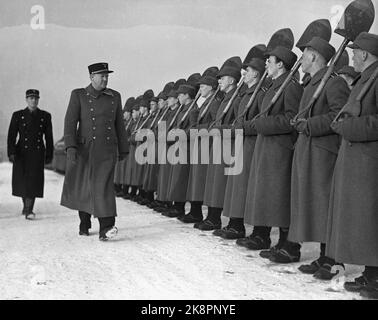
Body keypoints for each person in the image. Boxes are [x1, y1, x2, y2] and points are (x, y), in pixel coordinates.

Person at [272, 37, 350, 271]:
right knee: (307, 203)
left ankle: (331, 258)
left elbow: (339, 116)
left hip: (323, 153)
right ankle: (313, 253)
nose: (301, 61)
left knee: (323, 204)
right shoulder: (313, 83)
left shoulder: (333, 83)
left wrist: (309, 124)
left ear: (314, 56)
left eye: (304, 56)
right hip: (308, 151)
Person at [327, 32, 378, 299]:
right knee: (365, 219)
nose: (352, 57)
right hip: (359, 159)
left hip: (369, 161)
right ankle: (371, 274)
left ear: (365, 55)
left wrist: (350, 127)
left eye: (354, 52)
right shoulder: (366, 79)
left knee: (370, 218)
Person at [243, 46, 303, 258]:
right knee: (266, 194)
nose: (266, 64)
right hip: (266, 147)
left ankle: (289, 244)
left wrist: (264, 124)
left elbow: (292, 119)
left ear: (281, 64)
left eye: (270, 61)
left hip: (280, 149)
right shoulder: (272, 87)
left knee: (280, 196)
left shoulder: (291, 87)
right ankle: (263, 235)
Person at [60, 62, 129, 241]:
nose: (105, 79)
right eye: (101, 76)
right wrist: (71, 147)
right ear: (91, 77)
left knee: (104, 188)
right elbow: (70, 123)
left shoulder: (115, 96)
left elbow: (119, 125)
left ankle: (106, 228)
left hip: (107, 151)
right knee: (86, 188)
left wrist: (124, 149)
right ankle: (84, 221)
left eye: (107, 76)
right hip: (85, 151)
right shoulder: (79, 95)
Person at [7, 89, 53, 220]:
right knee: (22, 182)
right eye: (31, 98)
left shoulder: (45, 116)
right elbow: (12, 136)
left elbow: (49, 138)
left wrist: (49, 155)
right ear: (26, 99)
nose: (34, 100)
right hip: (21, 153)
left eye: (36, 98)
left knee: (33, 182)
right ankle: (26, 207)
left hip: (37, 153)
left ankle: (28, 209)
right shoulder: (18, 115)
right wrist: (11, 152)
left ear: (38, 100)